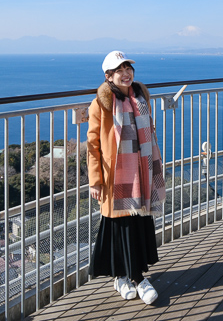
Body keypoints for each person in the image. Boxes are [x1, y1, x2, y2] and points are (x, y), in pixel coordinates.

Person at [87, 51, 166, 305]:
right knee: (119, 226)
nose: (126, 73)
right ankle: (136, 278)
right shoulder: (101, 103)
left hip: (140, 172)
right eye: (119, 70)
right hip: (116, 176)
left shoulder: (141, 97)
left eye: (128, 68)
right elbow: (93, 144)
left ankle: (124, 275)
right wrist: (95, 180)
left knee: (137, 223)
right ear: (108, 76)